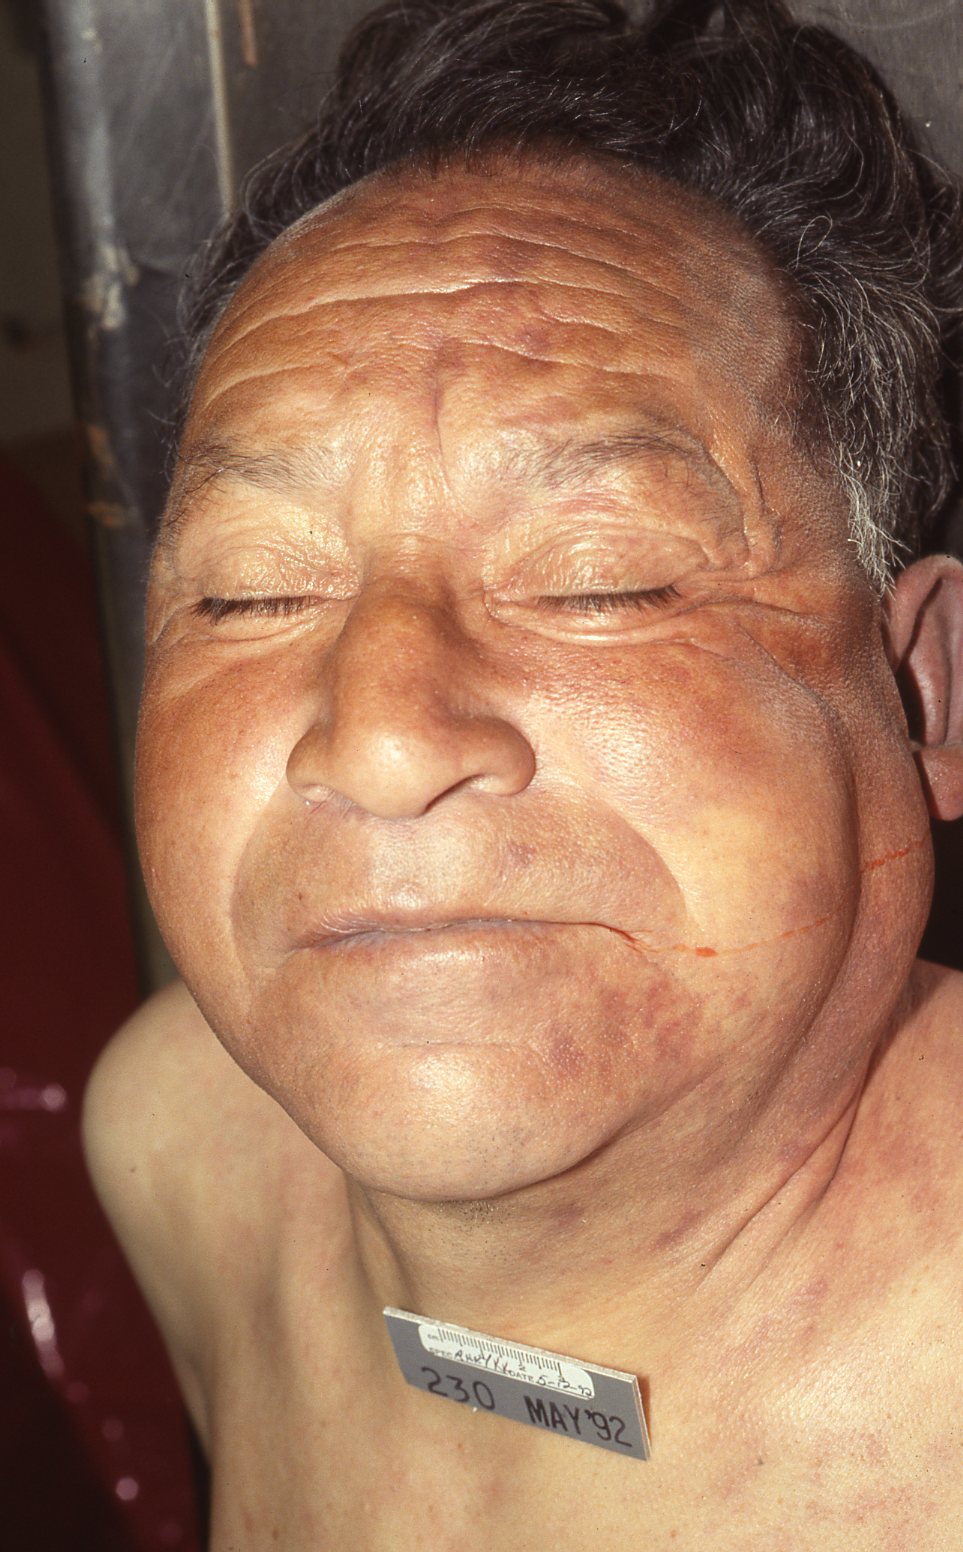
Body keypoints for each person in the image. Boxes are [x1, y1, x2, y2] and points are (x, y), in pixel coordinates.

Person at [83, 1, 963, 1545]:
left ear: (920, 688)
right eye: (249, 593)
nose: (380, 736)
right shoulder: (187, 1149)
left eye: (600, 578)